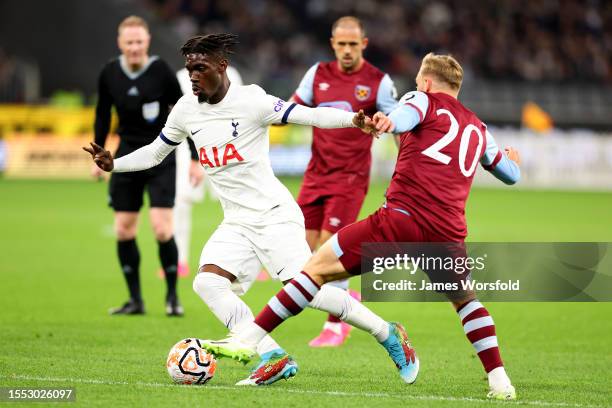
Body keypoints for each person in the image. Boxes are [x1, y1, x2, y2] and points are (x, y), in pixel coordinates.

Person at [84, 33, 413, 386]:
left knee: (309, 293)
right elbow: (155, 152)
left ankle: (388, 332)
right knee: (208, 283)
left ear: (221, 67)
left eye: (200, 68)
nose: (193, 75)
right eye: (189, 68)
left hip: (274, 215)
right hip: (237, 222)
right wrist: (114, 163)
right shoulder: (185, 110)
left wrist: (353, 122)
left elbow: (307, 115)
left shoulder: (251, 100)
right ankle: (273, 355)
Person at [199, 53, 521, 400]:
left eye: (417, 83)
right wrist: (510, 159)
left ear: (426, 82)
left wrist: (387, 121)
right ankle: (500, 382)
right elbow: (510, 174)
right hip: (447, 233)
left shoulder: (421, 99)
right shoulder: (479, 128)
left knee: (315, 270)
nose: (414, 87)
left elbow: (405, 116)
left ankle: (249, 342)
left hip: (401, 221)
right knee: (465, 301)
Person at [291, 16, 398, 347]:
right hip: (315, 174)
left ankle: (335, 325)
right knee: (302, 250)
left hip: (350, 178)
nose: (348, 50)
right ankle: (349, 298)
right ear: (333, 44)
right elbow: (291, 110)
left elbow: (397, 124)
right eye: (342, 44)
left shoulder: (378, 82)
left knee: (328, 247)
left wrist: (402, 166)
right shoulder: (317, 75)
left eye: (354, 44)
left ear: (363, 44)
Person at [93, 15, 189, 316]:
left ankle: (173, 297)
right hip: (124, 158)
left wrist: (197, 158)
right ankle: (135, 300)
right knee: (123, 229)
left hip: (160, 156)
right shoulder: (109, 72)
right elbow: (102, 114)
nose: (134, 47)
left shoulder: (160, 71)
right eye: (129, 42)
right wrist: (98, 157)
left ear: (147, 42)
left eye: (139, 41)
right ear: (120, 44)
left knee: (161, 229)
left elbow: (186, 112)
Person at [170, 65, 243, 278]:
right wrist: (195, 158)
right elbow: (175, 116)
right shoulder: (179, 78)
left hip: (225, 147)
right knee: (181, 203)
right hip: (187, 150)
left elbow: (239, 111)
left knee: (237, 205)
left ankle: (242, 264)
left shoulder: (232, 74)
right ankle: (179, 260)